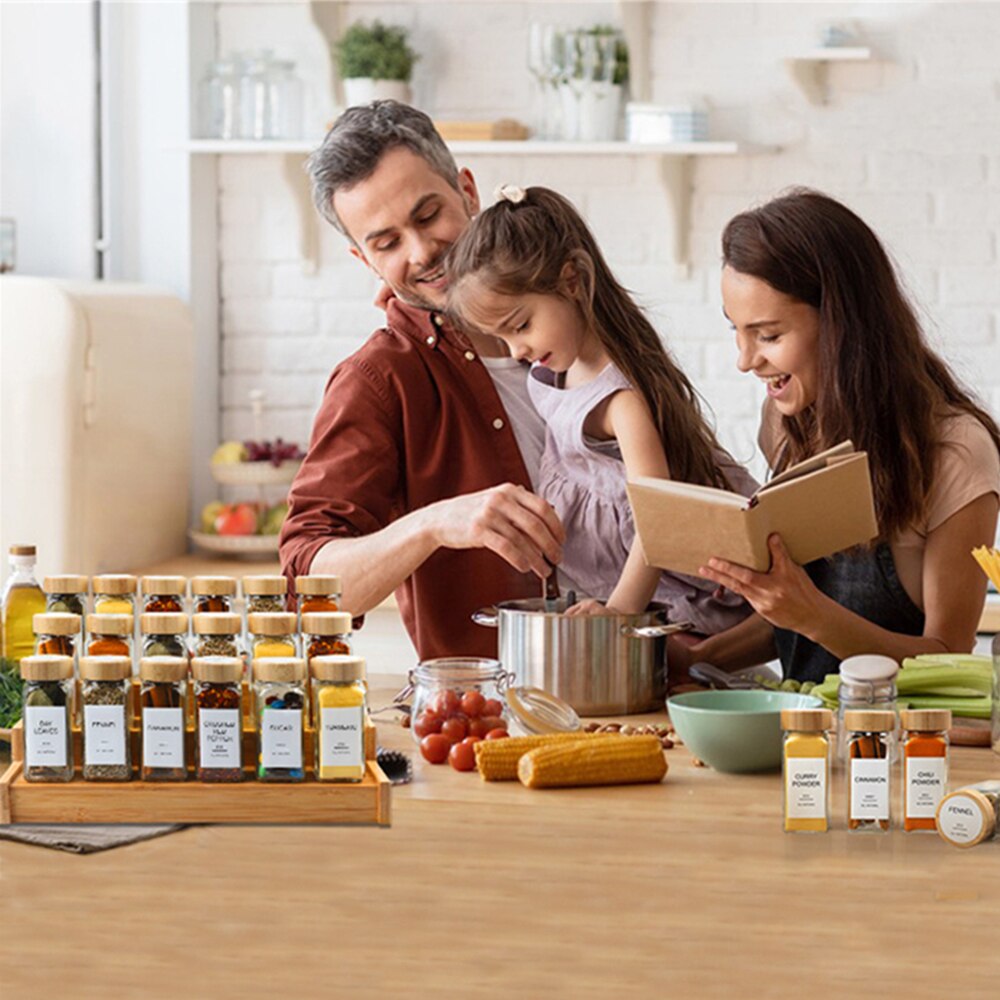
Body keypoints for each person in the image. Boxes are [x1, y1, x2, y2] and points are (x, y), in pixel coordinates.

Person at [674, 188, 1000, 682]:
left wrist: (810, 614)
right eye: (736, 331)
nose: (745, 360)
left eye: (768, 335)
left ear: (842, 324)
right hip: (800, 732)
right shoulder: (786, 423)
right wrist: (694, 660)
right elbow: (791, 619)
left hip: (902, 746)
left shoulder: (954, 452)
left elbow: (948, 659)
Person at [279, 102, 565, 659]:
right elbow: (306, 592)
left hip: (654, 685)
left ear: (468, 192)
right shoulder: (378, 379)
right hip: (489, 714)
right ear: (364, 259)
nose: (422, 251)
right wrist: (432, 524)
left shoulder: (577, 311)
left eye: (429, 215)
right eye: (386, 243)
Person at [445, 185, 757, 635]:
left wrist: (619, 614)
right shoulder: (558, 372)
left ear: (571, 281)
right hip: (616, 593)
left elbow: (660, 521)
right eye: (503, 338)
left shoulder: (620, 402)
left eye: (521, 326)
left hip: (673, 605)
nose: (517, 350)